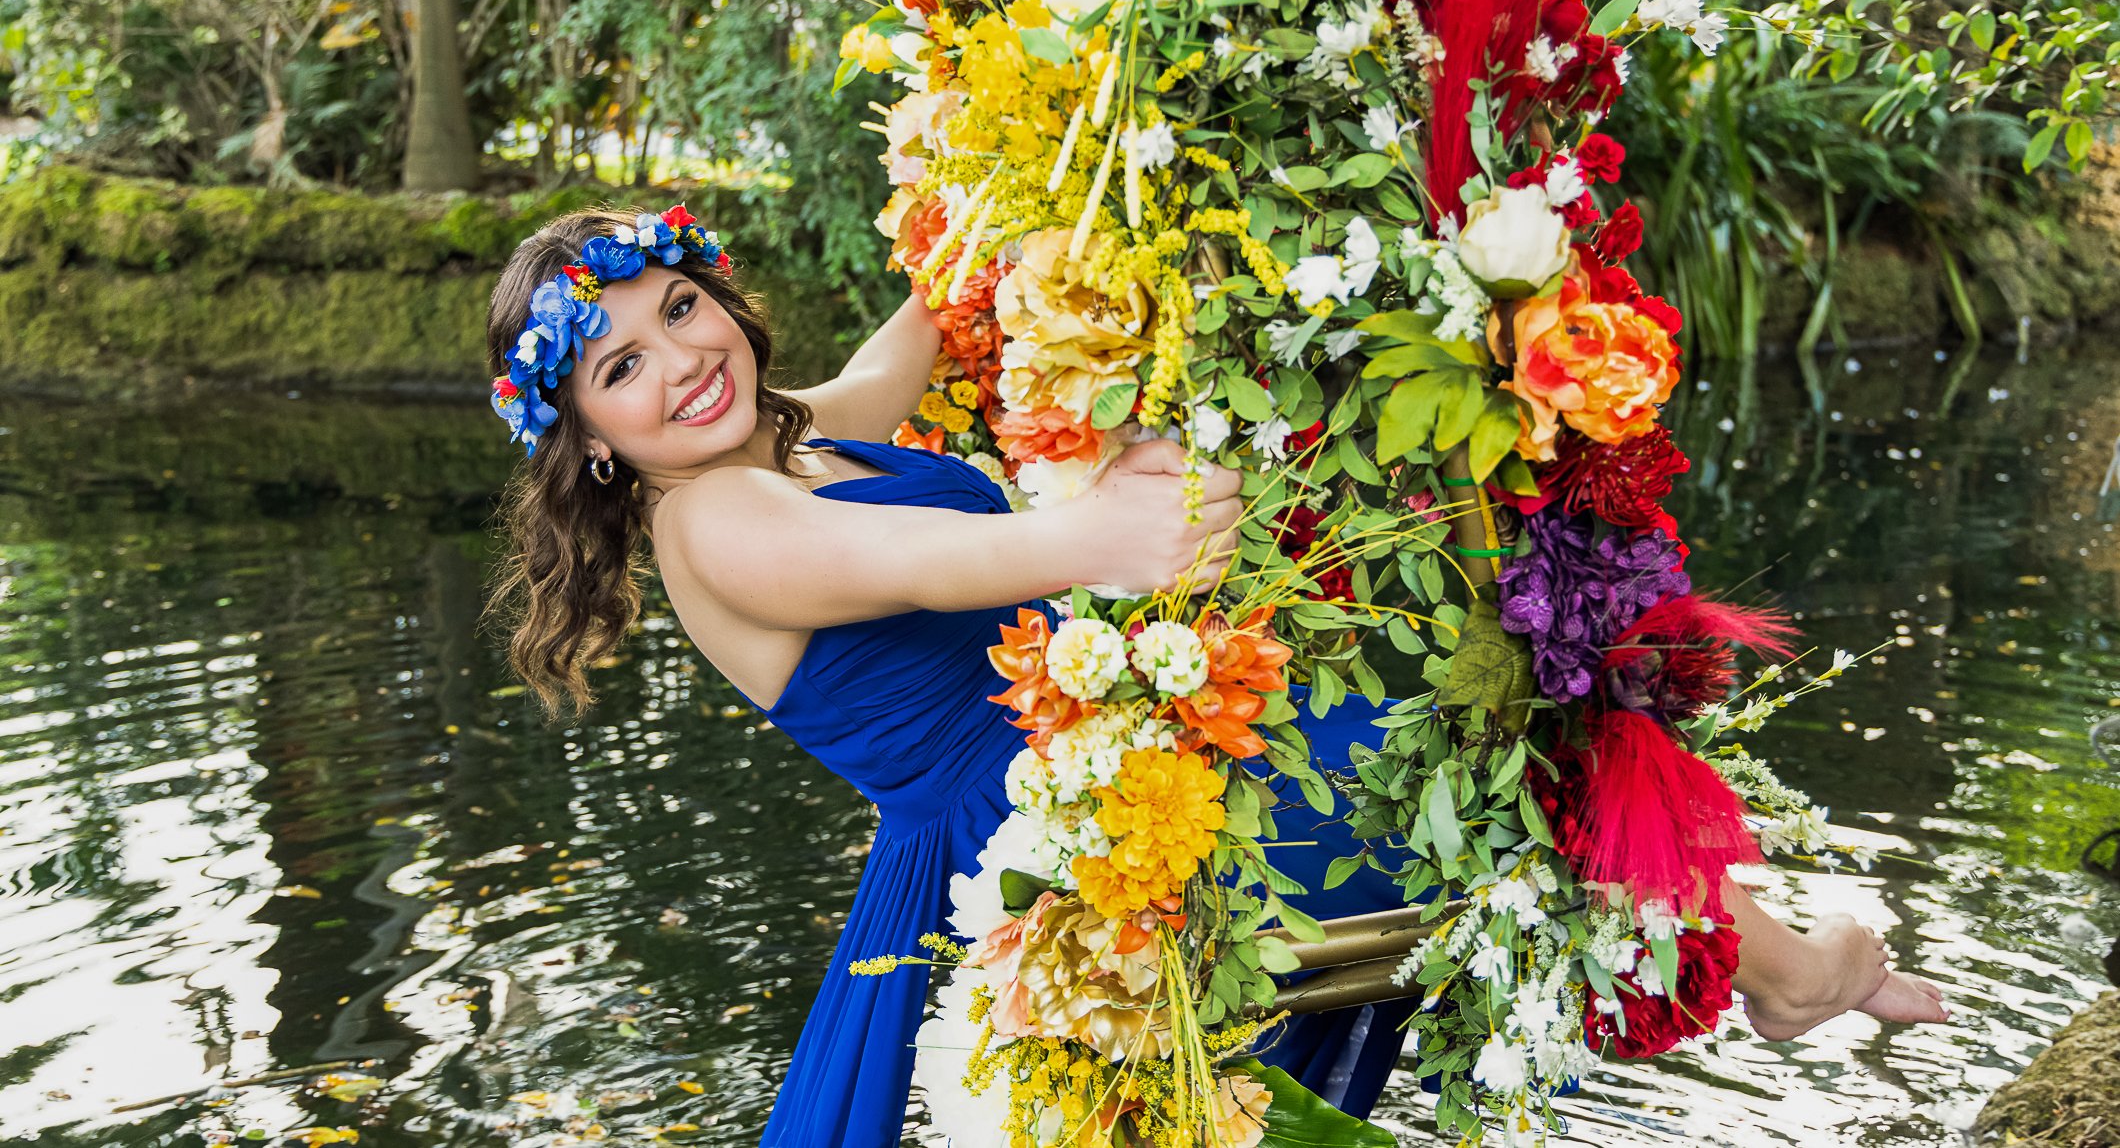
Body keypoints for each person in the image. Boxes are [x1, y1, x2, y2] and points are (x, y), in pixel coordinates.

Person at [482, 208, 1949, 1147]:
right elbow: (963, 565)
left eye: (680, 304)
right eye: (617, 365)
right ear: (592, 441)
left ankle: (1780, 963)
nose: (677, 357)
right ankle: (1790, 967)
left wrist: (1034, 183)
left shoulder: (791, 434)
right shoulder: (719, 519)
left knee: (1473, 728)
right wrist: (1119, 520)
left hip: (1104, 752)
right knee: (1440, 739)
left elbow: (934, 308)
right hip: (1047, 834)